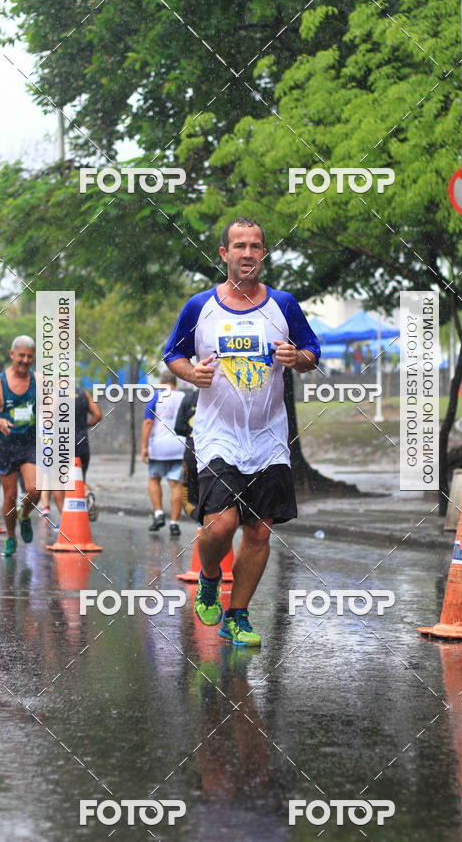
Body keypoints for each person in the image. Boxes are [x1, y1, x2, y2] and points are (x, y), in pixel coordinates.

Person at [163, 217, 320, 647]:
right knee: (219, 527)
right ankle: (211, 576)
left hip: (268, 437)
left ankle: (238, 615)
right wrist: (189, 372)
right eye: (239, 246)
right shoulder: (201, 307)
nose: (247, 253)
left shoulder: (283, 305)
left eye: (255, 246)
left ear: (263, 254)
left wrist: (296, 356)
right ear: (224, 254)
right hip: (217, 434)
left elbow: (312, 352)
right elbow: (172, 353)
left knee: (258, 531)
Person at [0, 336, 39, 557]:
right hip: (5, 445)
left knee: (35, 489)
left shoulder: (38, 380)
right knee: (10, 495)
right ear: (11, 355)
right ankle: (11, 537)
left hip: (29, 443)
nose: (25, 360)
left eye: (29, 356)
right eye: (21, 355)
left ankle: (24, 515)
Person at [48, 387, 103, 521]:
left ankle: (66, 521)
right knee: (78, 480)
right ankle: (87, 493)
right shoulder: (83, 393)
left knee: (57, 481)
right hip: (81, 441)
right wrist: (84, 426)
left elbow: (48, 416)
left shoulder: (54, 393)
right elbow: (98, 415)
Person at [141, 372, 186, 536]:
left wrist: (144, 446)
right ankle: (174, 523)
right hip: (180, 446)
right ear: (175, 383)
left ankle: (158, 514)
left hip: (159, 446)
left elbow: (148, 422)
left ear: (161, 383)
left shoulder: (156, 397)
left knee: (154, 478)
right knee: (176, 484)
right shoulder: (184, 397)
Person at [174, 388, 199, 520]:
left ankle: (203, 525)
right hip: (221, 453)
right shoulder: (224, 395)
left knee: (190, 499)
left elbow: (179, 427)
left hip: (192, 450)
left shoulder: (189, 398)